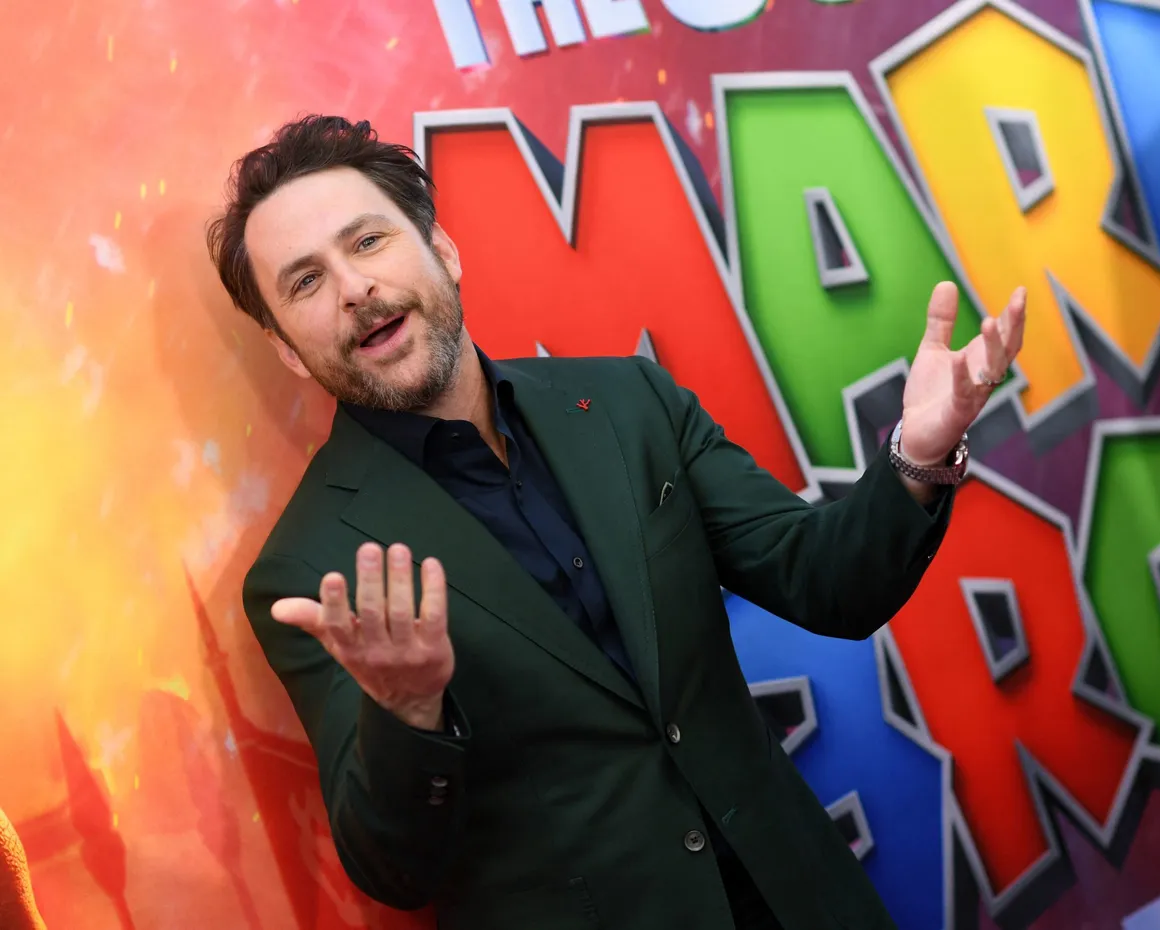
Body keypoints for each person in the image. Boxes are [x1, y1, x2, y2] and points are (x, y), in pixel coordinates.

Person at [207, 115, 1027, 930]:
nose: (354, 289)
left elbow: (827, 582)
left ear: (442, 253)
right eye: (305, 282)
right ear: (286, 347)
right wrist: (406, 713)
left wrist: (917, 455)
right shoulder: (306, 571)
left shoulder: (628, 403)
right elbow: (392, 868)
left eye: (368, 242)